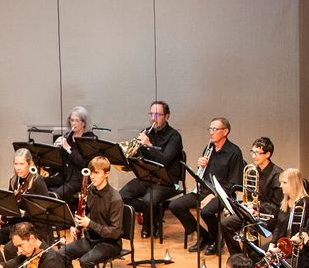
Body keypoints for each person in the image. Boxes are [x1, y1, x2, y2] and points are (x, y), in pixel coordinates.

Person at [167, 116, 244, 254]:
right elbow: (202, 175)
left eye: (215, 129)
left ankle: (215, 240)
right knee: (175, 205)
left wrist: (212, 195)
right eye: (210, 129)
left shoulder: (234, 152)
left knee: (206, 211)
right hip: (203, 190)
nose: (211, 132)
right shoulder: (209, 148)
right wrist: (200, 166)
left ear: (225, 132)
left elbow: (234, 183)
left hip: (223, 194)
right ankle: (203, 235)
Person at [62, 157, 124, 268]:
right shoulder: (89, 190)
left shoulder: (115, 198)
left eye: (97, 173)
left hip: (110, 243)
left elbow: (115, 232)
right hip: (91, 238)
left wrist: (89, 224)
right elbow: (86, 214)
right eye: (91, 173)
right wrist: (77, 227)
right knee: (61, 254)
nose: (93, 177)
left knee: (86, 261)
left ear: (106, 174)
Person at [119, 100, 184, 239]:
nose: (153, 118)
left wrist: (148, 145)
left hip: (168, 180)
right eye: (151, 114)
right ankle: (155, 216)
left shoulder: (174, 137)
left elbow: (164, 161)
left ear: (167, 116)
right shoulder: (146, 132)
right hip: (148, 177)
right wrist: (134, 153)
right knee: (122, 196)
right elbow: (140, 157)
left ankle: (149, 227)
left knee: (149, 201)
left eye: (158, 114)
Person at [0, 148, 49, 267]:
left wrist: (19, 213)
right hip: (15, 225)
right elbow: (7, 202)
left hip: (33, 227)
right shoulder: (14, 180)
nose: (18, 167)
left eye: (22, 164)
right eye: (16, 164)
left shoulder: (37, 182)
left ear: (29, 164)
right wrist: (0, 212)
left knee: (9, 248)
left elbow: (42, 212)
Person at [220, 137, 284, 255]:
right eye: (252, 152)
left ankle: (250, 261)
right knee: (225, 224)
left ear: (268, 154)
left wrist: (256, 206)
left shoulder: (277, 175)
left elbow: (277, 207)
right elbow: (249, 195)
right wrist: (245, 205)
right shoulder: (253, 170)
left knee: (250, 225)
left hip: (269, 217)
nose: (254, 156)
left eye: (257, 153)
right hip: (253, 212)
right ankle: (238, 258)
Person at [46, 106, 98, 201]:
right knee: (41, 182)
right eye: (72, 120)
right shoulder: (67, 137)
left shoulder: (89, 139)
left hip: (80, 179)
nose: (73, 123)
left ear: (84, 123)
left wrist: (67, 148)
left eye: (77, 121)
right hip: (65, 175)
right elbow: (59, 162)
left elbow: (83, 163)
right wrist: (55, 150)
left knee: (58, 194)